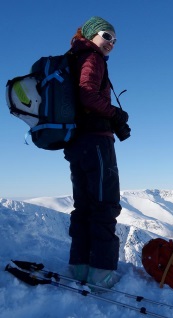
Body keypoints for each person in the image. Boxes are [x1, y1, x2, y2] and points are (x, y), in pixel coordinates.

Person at [64, 16, 130, 288]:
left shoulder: (74, 58)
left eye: (115, 40)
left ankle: (79, 268)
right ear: (91, 35)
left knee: (84, 206)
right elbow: (87, 94)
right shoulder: (92, 59)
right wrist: (115, 114)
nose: (111, 43)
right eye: (107, 36)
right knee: (105, 205)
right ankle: (102, 273)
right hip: (96, 142)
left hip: (77, 143)